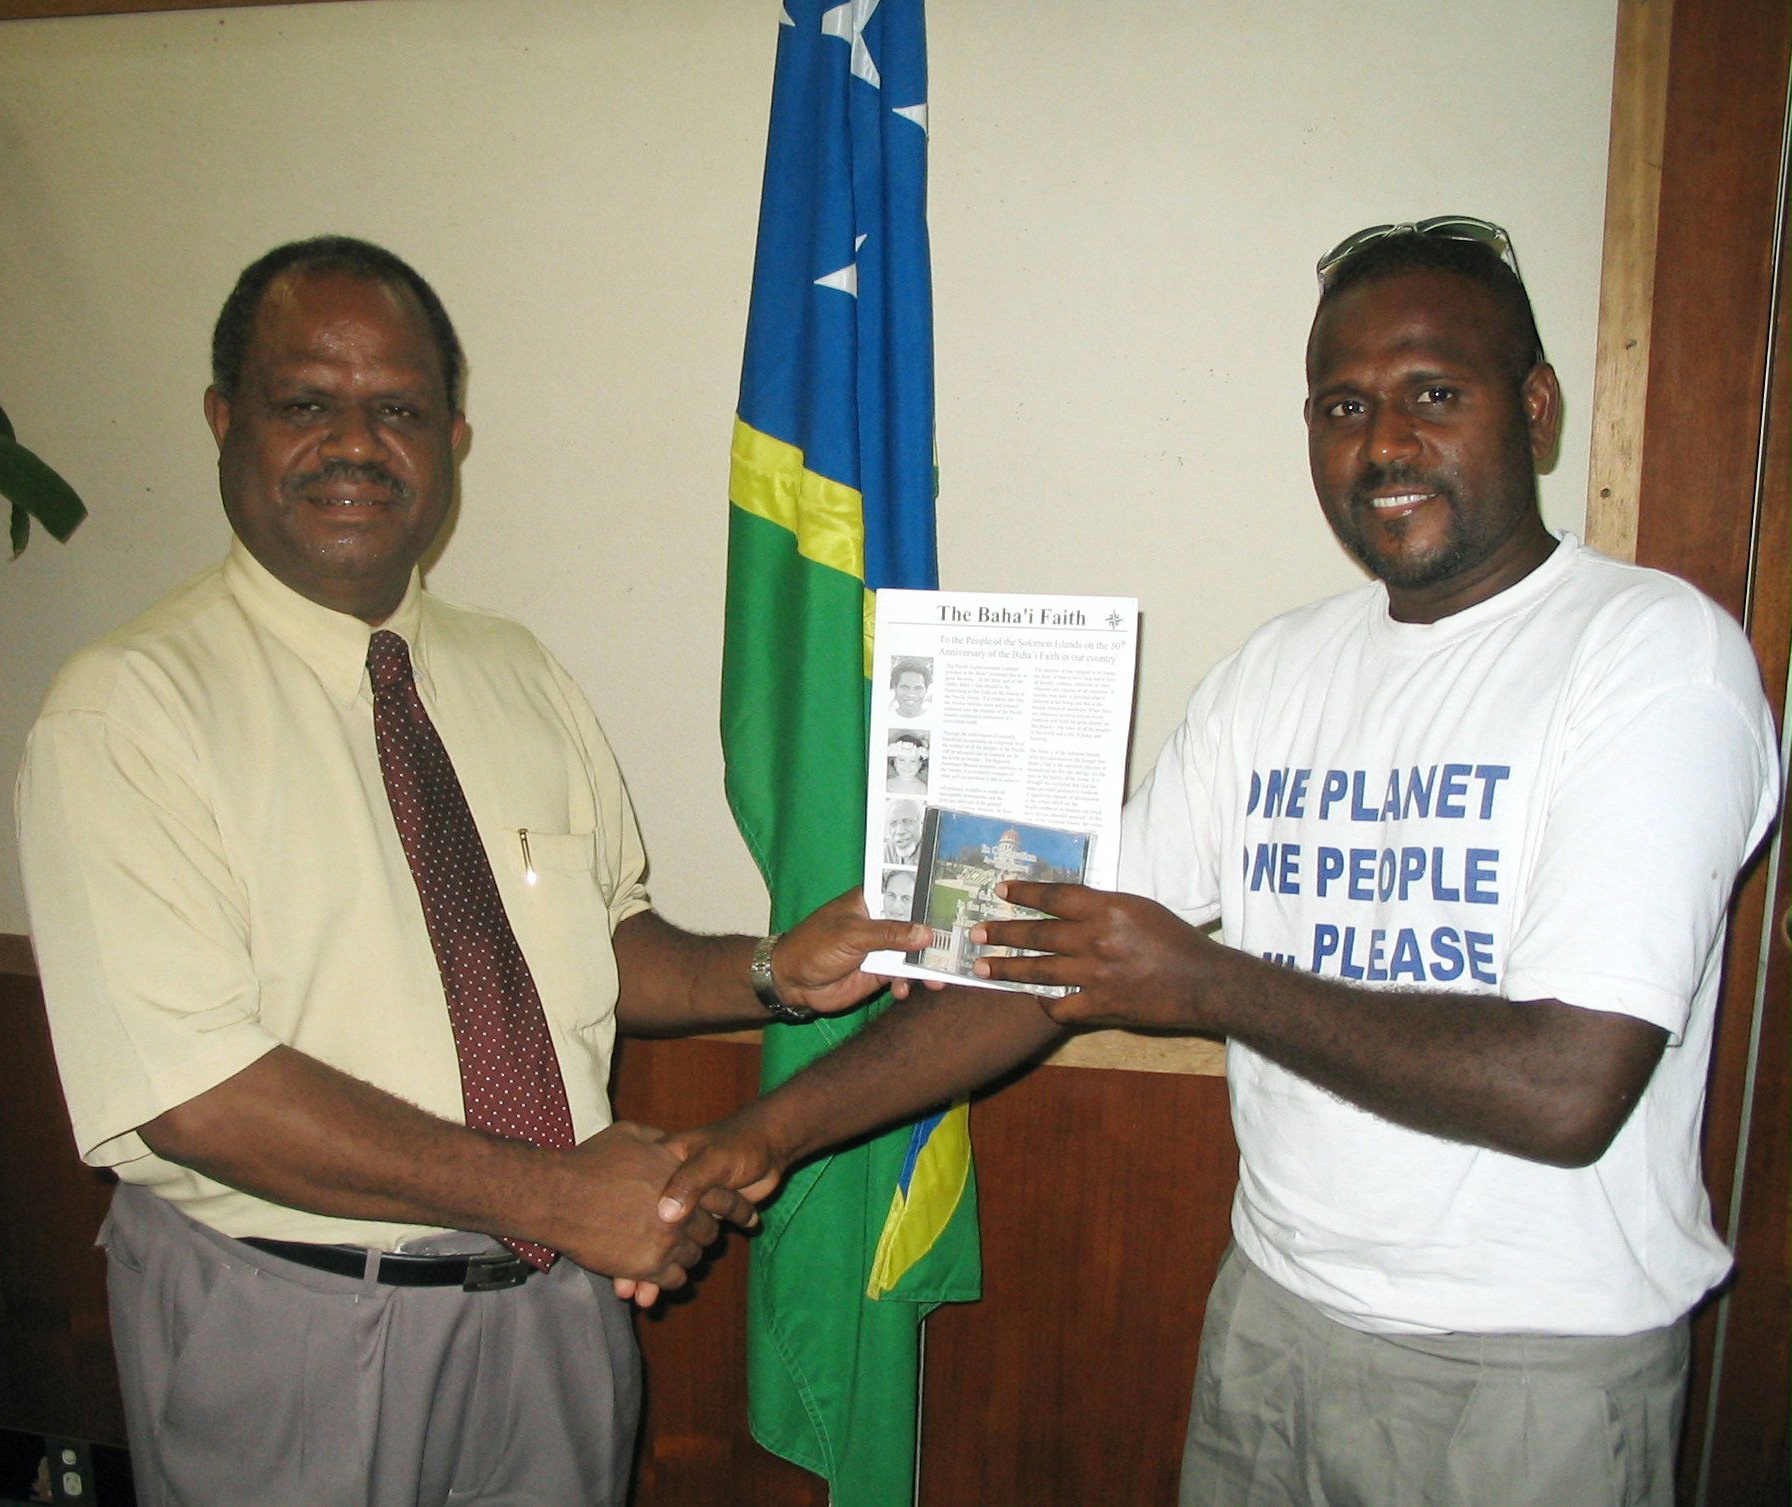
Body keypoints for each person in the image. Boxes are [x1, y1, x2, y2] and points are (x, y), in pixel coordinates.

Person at [656, 220, 1780, 1506]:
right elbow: (1043, 962)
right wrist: (763, 1132)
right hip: (1269, 1317)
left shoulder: (1650, 657)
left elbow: (1565, 1086)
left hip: (1523, 1365)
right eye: (1342, 406)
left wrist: (1207, 985)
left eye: (1431, 394)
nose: (1383, 443)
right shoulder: (1279, 670)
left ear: (1534, 409)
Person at [15, 236, 926, 1507]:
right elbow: (196, 1096)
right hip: (288, 1322)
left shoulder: (516, 671)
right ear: (225, 421)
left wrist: (774, 971)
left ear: (451, 441)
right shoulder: (126, 710)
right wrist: (557, 1191)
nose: (353, 442)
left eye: (397, 410)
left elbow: (596, 943)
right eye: (305, 403)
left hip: (555, 1311)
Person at [884, 730, 930, 795]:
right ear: (894, 761)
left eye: (913, 761)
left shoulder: (922, 788)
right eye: (902, 760)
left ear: (920, 764)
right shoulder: (888, 784)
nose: (907, 765)